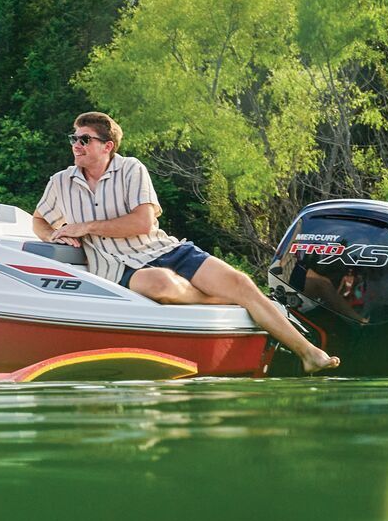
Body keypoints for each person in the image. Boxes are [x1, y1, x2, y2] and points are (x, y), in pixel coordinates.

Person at [32, 112, 340, 374]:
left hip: (163, 248)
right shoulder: (61, 182)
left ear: (107, 146)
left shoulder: (131, 169)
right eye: (74, 139)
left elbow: (143, 222)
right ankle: (238, 302)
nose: (76, 145)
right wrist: (55, 235)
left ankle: (310, 354)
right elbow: (39, 220)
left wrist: (84, 226)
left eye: (84, 139)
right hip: (116, 264)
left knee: (240, 281)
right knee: (161, 285)